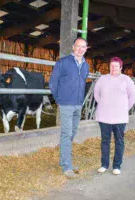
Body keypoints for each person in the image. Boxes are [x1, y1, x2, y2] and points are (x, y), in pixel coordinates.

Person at [49, 37, 89, 178]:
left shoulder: (86, 65)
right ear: (73, 47)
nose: (80, 49)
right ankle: (67, 167)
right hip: (66, 104)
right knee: (66, 134)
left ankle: (64, 160)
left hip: (78, 104)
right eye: (78, 46)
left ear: (86, 49)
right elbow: (53, 82)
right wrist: (58, 99)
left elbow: (82, 83)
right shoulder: (63, 62)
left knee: (72, 133)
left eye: (83, 47)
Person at [94, 57, 135, 175]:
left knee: (119, 141)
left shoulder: (126, 80)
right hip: (104, 116)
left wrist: (124, 108)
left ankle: (117, 166)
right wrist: (104, 104)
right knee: (105, 141)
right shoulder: (102, 79)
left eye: (116, 66)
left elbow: (133, 96)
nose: (113, 68)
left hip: (119, 117)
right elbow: (96, 94)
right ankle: (104, 164)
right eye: (111, 66)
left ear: (121, 68)